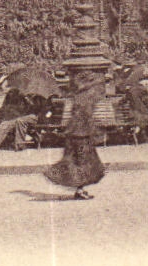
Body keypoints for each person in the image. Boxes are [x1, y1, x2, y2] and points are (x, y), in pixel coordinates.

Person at [45, 72, 106, 200]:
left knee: (77, 161)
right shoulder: (85, 98)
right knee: (83, 162)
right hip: (81, 135)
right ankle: (78, 189)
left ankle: (79, 189)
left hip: (75, 134)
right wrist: (95, 132)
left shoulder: (79, 96)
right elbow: (85, 118)